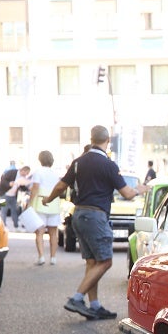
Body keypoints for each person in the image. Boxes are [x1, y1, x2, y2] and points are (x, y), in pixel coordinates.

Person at [42, 125, 149, 320]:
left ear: (91, 139)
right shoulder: (109, 165)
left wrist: (48, 200)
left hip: (79, 216)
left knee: (92, 263)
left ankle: (95, 306)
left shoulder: (78, 162)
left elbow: (60, 186)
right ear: (107, 141)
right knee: (106, 261)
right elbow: (127, 193)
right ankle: (77, 298)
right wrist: (141, 189)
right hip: (96, 217)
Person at [28, 151, 63, 265]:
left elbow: (35, 188)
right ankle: (53, 257)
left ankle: (41, 256)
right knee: (53, 232)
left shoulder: (38, 172)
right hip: (54, 204)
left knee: (40, 232)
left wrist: (30, 203)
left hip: (40, 202)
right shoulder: (55, 173)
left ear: (40, 160)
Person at [2, 166, 32, 230]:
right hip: (3, 194)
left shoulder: (22, 178)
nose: (26, 175)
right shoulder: (12, 172)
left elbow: (22, 186)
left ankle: (16, 225)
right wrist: (9, 184)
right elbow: (3, 180)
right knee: (3, 210)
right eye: (26, 173)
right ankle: (2, 225)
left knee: (14, 210)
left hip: (13, 196)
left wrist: (28, 189)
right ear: (23, 170)